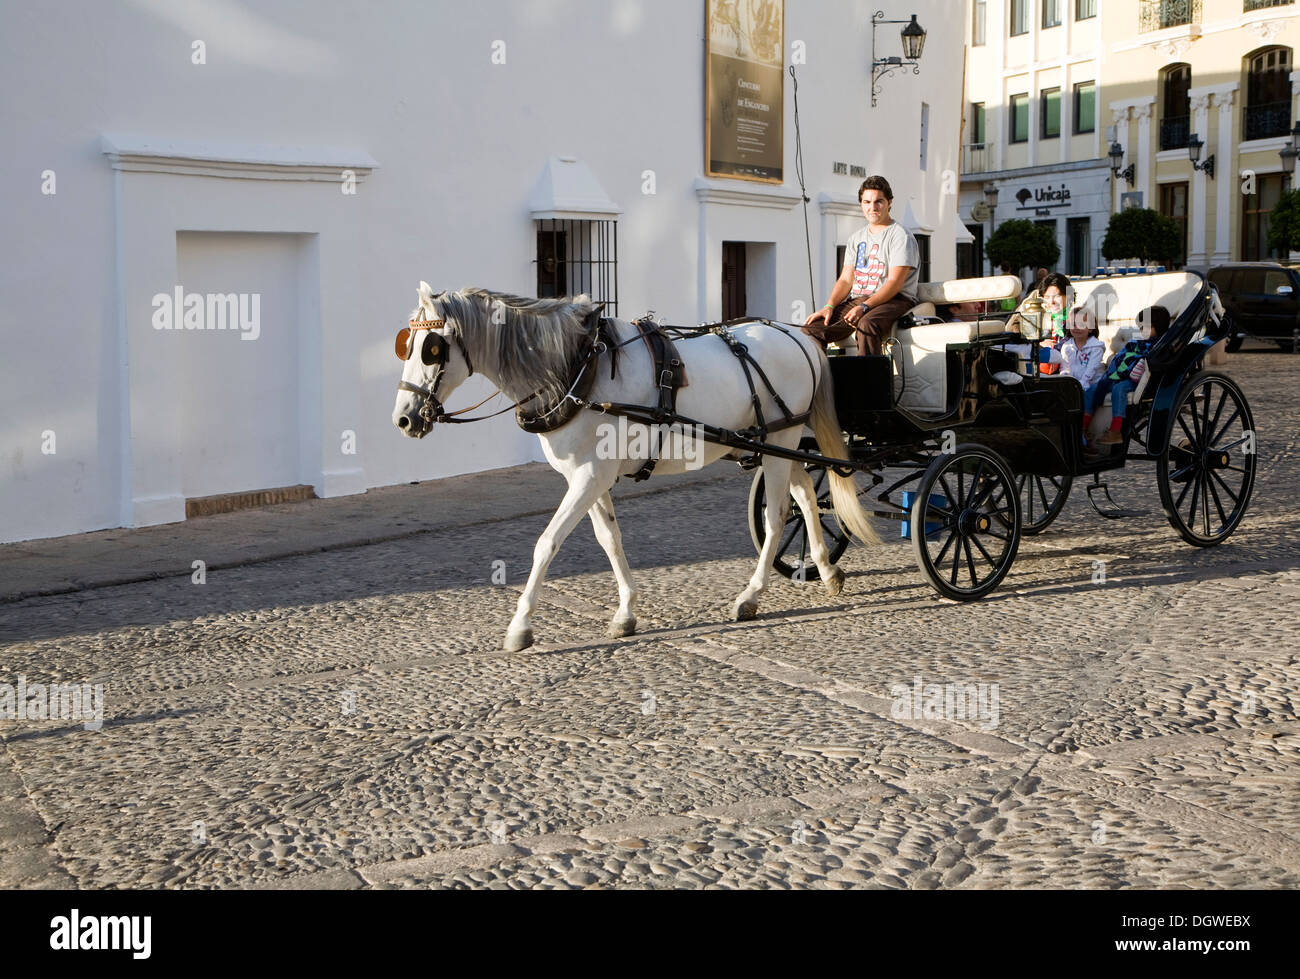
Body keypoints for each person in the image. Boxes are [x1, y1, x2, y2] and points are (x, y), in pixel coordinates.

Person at [803, 175, 919, 356]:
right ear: (861, 204)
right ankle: (824, 380)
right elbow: (846, 279)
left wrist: (865, 308)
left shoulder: (900, 236)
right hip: (859, 299)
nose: (872, 207)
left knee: (867, 325)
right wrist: (829, 306)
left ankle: (869, 383)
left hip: (896, 299)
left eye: (879, 201)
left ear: (889, 202)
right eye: (867, 202)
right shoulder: (856, 239)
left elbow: (894, 283)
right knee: (812, 329)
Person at [1083, 305, 1169, 447]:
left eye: (1147, 327)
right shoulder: (1137, 342)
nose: (1142, 330)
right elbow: (1121, 356)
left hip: (1136, 380)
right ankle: (1084, 427)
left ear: (1157, 327)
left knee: (1119, 389)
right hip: (1118, 376)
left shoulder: (1158, 346)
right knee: (1092, 389)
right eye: (1141, 327)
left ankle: (1115, 431)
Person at [1059, 307, 1106, 389]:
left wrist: (1081, 384)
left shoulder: (1096, 347)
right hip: (1074, 384)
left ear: (1091, 328)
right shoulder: (1066, 346)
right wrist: (1066, 380)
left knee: (1089, 395)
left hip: (1092, 383)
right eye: (1073, 324)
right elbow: (1064, 367)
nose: (1077, 327)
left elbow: (1092, 369)